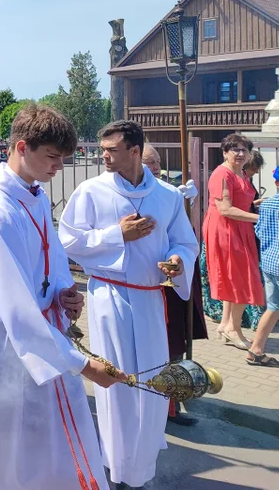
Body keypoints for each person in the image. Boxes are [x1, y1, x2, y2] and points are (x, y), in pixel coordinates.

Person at [0, 104, 120, 490]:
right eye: (52, 157)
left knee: (41, 438)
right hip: (1, 334)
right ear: (22, 147)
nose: (58, 167)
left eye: (63, 158)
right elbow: (14, 302)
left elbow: (54, 253)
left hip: (40, 327)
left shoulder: (36, 195)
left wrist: (63, 289)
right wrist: (80, 363)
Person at [59, 121, 198, 489]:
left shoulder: (167, 196)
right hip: (109, 297)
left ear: (134, 151)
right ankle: (116, 467)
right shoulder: (91, 191)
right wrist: (115, 235)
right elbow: (68, 241)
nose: (102, 155)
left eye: (111, 149)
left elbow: (186, 242)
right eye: (102, 148)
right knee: (116, 379)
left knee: (152, 381)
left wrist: (177, 261)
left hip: (150, 298)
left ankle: (144, 463)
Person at [140, 143, 209, 426]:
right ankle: (158, 402)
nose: (155, 167)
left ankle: (174, 397)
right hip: (150, 285)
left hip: (177, 279)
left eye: (156, 162)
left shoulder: (168, 194)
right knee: (159, 345)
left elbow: (183, 237)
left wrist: (186, 205)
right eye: (149, 162)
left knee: (175, 341)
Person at [203, 133, 264, 349]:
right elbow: (225, 209)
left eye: (244, 150)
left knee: (234, 277)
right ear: (225, 152)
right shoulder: (222, 174)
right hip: (226, 229)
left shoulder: (240, 173)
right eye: (234, 149)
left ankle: (226, 325)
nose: (239, 154)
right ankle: (233, 329)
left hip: (240, 227)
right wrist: (261, 217)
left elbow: (240, 201)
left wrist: (257, 204)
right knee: (241, 278)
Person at [249, 167, 279, 367]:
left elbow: (259, 231)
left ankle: (256, 350)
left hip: (269, 263)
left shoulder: (267, 205)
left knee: (274, 307)